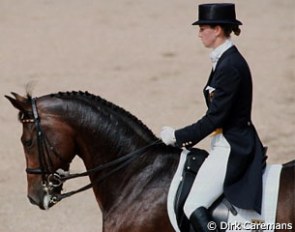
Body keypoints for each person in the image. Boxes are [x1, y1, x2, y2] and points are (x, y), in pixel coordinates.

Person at [160, 3, 266, 232]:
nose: (199, 33)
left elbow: (214, 118)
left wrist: (178, 137)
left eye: (203, 28)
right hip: (224, 142)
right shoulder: (225, 60)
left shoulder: (230, 65)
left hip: (232, 146)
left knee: (193, 205)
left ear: (217, 30)